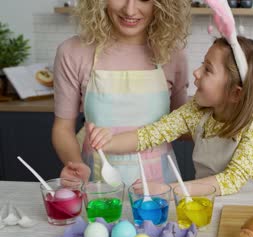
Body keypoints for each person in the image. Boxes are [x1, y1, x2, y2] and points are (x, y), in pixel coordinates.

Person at [87, 36, 253, 195]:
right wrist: (106, 143)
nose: (196, 73)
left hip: (249, 201)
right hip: (207, 200)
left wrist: (168, 190)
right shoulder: (196, 110)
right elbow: (151, 134)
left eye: (208, 69)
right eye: (201, 64)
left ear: (236, 93)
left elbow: (232, 179)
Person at [51, 0, 191, 186]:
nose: (130, 10)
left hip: (160, 186)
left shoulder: (173, 54)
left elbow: (181, 127)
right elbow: (63, 128)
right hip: (97, 183)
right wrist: (76, 165)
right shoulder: (72, 52)